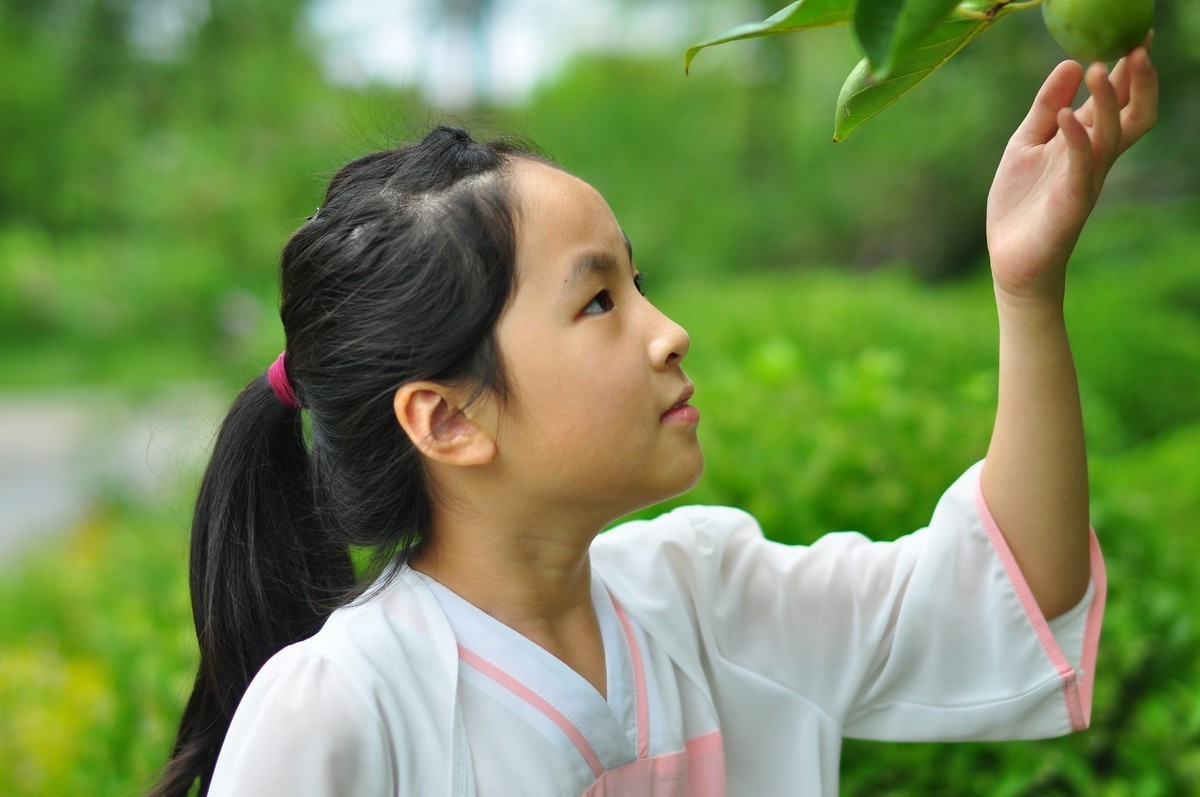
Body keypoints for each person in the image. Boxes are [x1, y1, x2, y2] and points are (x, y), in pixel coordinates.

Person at [151, 47, 1158, 797]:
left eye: (640, 281)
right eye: (598, 301)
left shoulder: (707, 596)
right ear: (449, 418)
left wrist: (1026, 291)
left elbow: (1010, 587)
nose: (669, 332)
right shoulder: (341, 710)